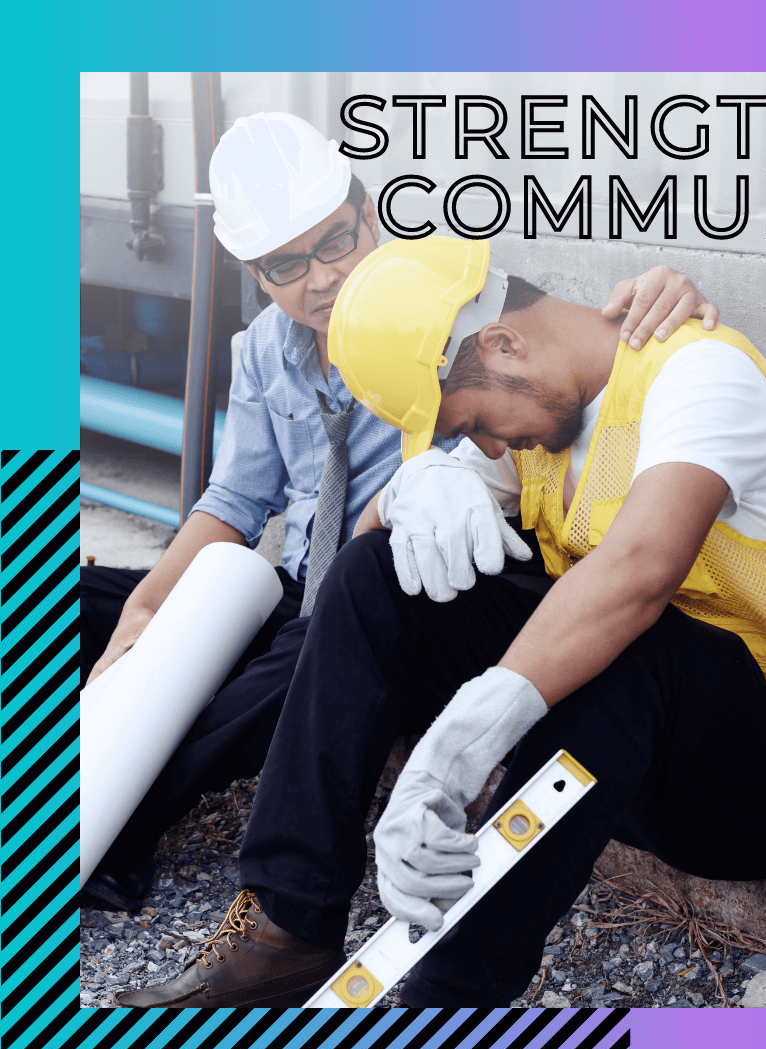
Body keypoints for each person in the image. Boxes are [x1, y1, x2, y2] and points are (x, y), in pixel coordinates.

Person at [114, 234, 766, 1009]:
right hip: (618, 758)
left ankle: (452, 1000)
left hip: (756, 777)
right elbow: (367, 568)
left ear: (502, 342)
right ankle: (285, 925)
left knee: (635, 641)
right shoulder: (538, 410)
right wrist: (413, 484)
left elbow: (638, 573)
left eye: (472, 422)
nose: (490, 445)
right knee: (375, 575)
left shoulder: (699, 371)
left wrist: (451, 754)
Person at [80, 111, 725, 914]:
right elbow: (235, 502)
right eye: (286, 264)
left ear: (370, 212)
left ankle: (113, 821)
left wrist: (664, 290)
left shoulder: (444, 316)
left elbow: (561, 368)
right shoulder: (263, 351)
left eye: (335, 242)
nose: (319, 277)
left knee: (309, 651)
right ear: (253, 272)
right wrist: (144, 609)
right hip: (295, 582)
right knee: (93, 601)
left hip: (388, 594)